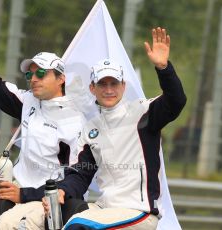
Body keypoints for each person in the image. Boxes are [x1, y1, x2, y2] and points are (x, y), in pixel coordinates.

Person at [0, 14, 86, 229]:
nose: (34, 79)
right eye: (30, 75)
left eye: (41, 73)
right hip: (15, 183)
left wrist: (26, 194)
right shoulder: (28, 100)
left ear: (61, 78)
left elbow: (77, 177)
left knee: (5, 223)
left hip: (44, 195)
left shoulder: (76, 120)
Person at [43, 27, 186, 229]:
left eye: (114, 83)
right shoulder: (90, 129)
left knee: (78, 226)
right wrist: (62, 191)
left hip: (139, 212)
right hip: (106, 209)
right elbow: (80, 174)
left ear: (123, 86)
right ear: (92, 88)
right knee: (54, 217)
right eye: (102, 84)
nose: (109, 90)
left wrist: (164, 69)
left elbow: (176, 101)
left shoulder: (143, 113)